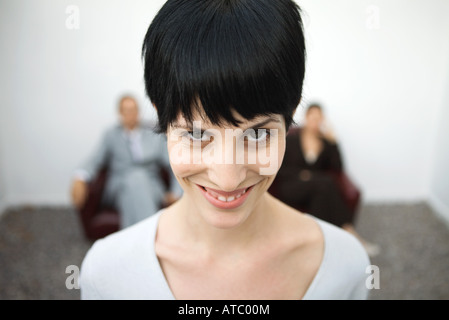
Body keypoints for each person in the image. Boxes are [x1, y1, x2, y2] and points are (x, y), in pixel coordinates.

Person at [80, 0, 371, 300]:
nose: (228, 178)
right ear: (162, 119)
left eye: (257, 134)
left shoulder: (344, 266)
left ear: (289, 117)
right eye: (195, 134)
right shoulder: (107, 273)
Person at [274, 103, 380, 257]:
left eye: (319, 118)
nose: (315, 121)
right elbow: (281, 169)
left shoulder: (325, 142)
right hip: (292, 186)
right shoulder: (291, 139)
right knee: (326, 183)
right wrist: (303, 175)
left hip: (316, 189)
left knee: (322, 191)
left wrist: (334, 142)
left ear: (322, 120)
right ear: (306, 117)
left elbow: (338, 168)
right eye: (313, 117)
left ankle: (320, 243)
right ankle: (348, 232)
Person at [70, 95, 182, 228]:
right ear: (120, 113)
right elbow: (94, 160)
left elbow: (172, 163)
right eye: (127, 111)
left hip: (152, 186)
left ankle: (132, 239)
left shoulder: (153, 134)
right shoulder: (110, 135)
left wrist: (176, 192)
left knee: (131, 193)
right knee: (135, 180)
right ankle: (151, 232)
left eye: (134, 110)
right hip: (119, 185)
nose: (131, 115)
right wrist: (79, 177)